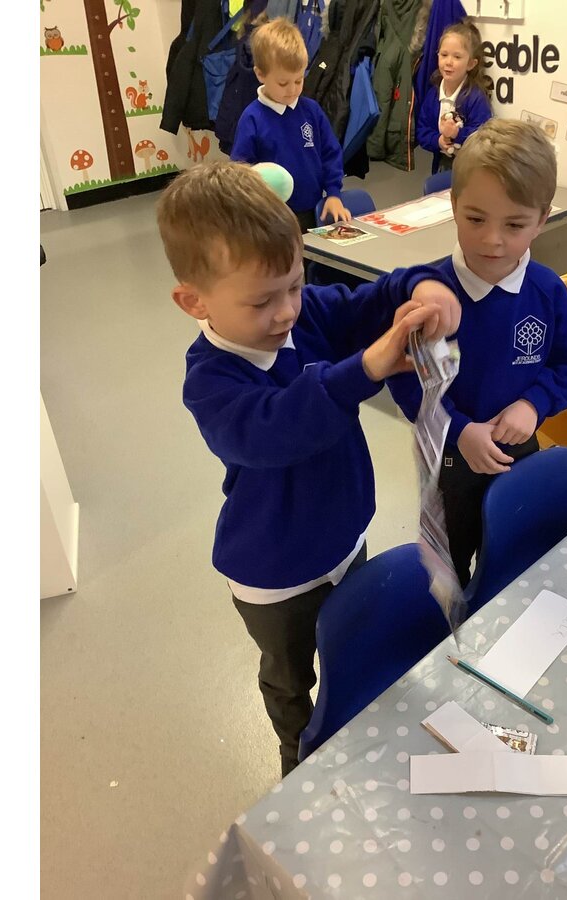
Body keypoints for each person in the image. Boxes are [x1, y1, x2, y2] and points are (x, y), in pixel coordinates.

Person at [158, 161, 462, 778]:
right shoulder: (209, 380)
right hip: (276, 577)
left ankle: (354, 726)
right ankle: (296, 760)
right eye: (262, 300)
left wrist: (424, 288)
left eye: (295, 286)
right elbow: (277, 428)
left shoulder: (305, 313)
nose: (286, 312)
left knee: (354, 645)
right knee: (290, 677)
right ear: (194, 301)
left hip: (345, 540)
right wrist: (364, 369)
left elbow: (372, 297)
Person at [386, 119, 567, 587]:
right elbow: (407, 382)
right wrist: (460, 430)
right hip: (450, 459)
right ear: (454, 206)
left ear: (542, 220)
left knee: (516, 552)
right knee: (448, 570)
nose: (492, 240)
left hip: (519, 450)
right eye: (476, 219)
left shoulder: (547, 292)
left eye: (514, 225)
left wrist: (533, 404)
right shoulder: (429, 294)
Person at [229, 17, 350, 232]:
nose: (292, 89)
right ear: (260, 74)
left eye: (299, 80)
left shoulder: (311, 111)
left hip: (313, 211)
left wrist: (333, 193)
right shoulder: (252, 118)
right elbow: (241, 172)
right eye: (283, 83)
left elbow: (330, 153)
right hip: (271, 218)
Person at [415, 20, 494, 176]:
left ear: (471, 64)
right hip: (441, 164)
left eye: (457, 57)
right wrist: (438, 141)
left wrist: (457, 134)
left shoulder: (475, 97)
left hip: (471, 168)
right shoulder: (433, 94)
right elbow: (422, 130)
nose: (449, 62)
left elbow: (483, 136)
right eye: (444, 55)